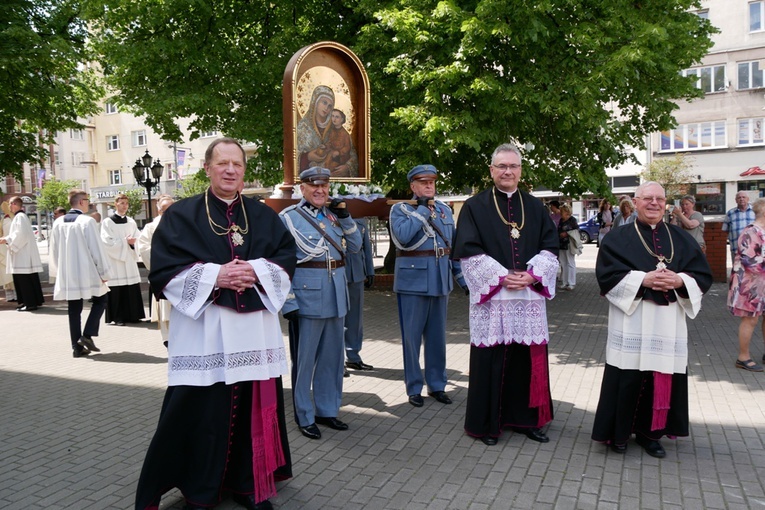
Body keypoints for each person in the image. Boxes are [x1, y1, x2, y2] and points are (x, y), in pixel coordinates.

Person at [135, 138, 296, 510]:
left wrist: (253, 271)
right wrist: (215, 276)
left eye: (237, 165)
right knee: (202, 412)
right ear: (207, 168)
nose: (230, 170)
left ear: (244, 170)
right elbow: (163, 268)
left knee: (253, 409)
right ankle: (200, 488)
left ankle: (250, 483)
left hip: (254, 331)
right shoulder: (181, 215)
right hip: (205, 332)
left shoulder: (263, 215)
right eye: (222, 163)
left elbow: (287, 257)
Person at [592, 181, 712, 458]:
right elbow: (606, 276)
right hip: (632, 318)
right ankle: (618, 434)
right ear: (636, 202)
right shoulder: (616, 238)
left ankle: (651, 435)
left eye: (659, 198)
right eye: (647, 198)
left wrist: (678, 279)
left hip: (667, 320)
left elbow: (702, 276)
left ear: (665, 202)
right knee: (627, 374)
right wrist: (642, 278)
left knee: (660, 375)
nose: (654, 203)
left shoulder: (681, 238)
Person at [453, 144, 559, 446]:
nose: (507, 171)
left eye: (513, 166)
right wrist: (501, 277)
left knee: (526, 361)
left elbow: (550, 247)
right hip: (495, 298)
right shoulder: (474, 207)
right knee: (493, 359)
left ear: (520, 170)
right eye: (501, 166)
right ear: (491, 170)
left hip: (528, 296)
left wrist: (532, 275)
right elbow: (468, 252)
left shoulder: (536, 206)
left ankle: (528, 421)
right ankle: (488, 423)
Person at [279, 166, 362, 440]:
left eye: (324, 186)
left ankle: (326, 410)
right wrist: (288, 302)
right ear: (302, 188)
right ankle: (304, 414)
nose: (320, 191)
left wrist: (346, 217)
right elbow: (280, 264)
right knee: (305, 361)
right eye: (313, 186)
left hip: (336, 294)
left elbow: (355, 247)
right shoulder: (289, 218)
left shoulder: (334, 215)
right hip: (308, 296)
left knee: (332, 358)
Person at [390, 165, 467, 408]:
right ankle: (414, 387)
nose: (429, 186)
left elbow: (452, 248)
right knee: (411, 339)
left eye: (432, 182)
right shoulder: (400, 209)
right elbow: (403, 237)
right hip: (413, 282)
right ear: (413, 186)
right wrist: (422, 211)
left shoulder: (444, 210)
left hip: (439, 280)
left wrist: (462, 279)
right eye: (423, 183)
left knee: (437, 338)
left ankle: (437, 385)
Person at [48, 190, 113, 358]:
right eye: (88, 201)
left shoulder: (58, 222)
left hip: (68, 272)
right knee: (101, 299)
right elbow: (96, 249)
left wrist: (58, 270)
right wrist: (104, 272)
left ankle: (76, 347)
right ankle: (87, 335)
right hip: (87, 271)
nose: (89, 204)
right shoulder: (87, 221)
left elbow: (53, 250)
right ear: (82, 202)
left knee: (74, 308)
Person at [728, 197, 765, 372]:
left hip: (762, 283)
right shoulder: (751, 231)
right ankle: (743, 357)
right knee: (751, 319)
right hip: (751, 284)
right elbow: (749, 260)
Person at [101, 193, 145, 325]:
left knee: (131, 287)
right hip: (116, 261)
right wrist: (124, 242)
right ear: (116, 204)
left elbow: (139, 238)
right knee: (117, 288)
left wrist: (133, 243)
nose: (124, 206)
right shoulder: (108, 222)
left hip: (129, 260)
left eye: (126, 203)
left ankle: (133, 315)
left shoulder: (131, 221)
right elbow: (106, 241)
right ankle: (118, 317)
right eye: (122, 203)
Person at [136, 194, 175, 344]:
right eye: (165, 210)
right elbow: (144, 248)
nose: (169, 212)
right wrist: (164, 257)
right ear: (159, 211)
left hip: (183, 274)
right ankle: (167, 340)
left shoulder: (184, 225)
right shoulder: (151, 227)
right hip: (164, 275)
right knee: (167, 313)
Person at [296, 85, 358, 176]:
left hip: (334, 176)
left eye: (330, 106)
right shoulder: (303, 127)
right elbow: (292, 156)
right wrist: (308, 156)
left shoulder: (336, 127)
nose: (326, 108)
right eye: (324, 103)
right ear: (315, 102)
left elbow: (352, 154)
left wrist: (347, 167)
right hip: (310, 179)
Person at [0, 196, 44, 311]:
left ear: (14, 204)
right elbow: (18, 233)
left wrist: (8, 241)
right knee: (25, 280)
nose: (9, 206)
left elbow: (21, 235)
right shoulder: (20, 217)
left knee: (24, 280)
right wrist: (7, 238)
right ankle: (29, 301)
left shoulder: (20, 217)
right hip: (22, 254)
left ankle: (30, 304)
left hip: (22, 255)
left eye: (10, 204)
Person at [344, 217, 375, 372]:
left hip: (356, 272)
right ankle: (336, 361)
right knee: (336, 319)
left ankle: (353, 357)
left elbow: (366, 247)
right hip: (337, 273)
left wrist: (370, 270)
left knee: (355, 319)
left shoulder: (360, 219)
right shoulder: (328, 214)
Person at [723, 191, 755, 259]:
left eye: (744, 197)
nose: (741, 199)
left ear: (748, 199)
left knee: (752, 269)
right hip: (736, 250)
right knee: (737, 269)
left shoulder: (755, 211)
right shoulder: (730, 213)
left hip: (753, 250)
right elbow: (725, 230)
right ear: (736, 200)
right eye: (739, 197)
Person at [322, 109, 354, 176]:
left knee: (332, 169)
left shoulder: (345, 134)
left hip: (341, 158)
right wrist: (325, 146)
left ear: (342, 119)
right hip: (331, 155)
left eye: (337, 117)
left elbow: (347, 147)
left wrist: (339, 152)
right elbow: (330, 142)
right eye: (333, 116)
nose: (334, 119)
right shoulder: (331, 131)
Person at [557, 204, 581, 291]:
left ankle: (571, 283)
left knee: (570, 263)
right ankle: (564, 282)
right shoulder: (561, 220)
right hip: (561, 244)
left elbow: (577, 230)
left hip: (569, 243)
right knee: (563, 263)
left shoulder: (572, 220)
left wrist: (567, 233)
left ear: (567, 212)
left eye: (562, 212)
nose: (560, 213)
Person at [0, 201, 15, 302]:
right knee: (6, 272)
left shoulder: (14, 219)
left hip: (11, 246)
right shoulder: (3, 220)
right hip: (5, 246)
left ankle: (14, 294)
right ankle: (11, 294)